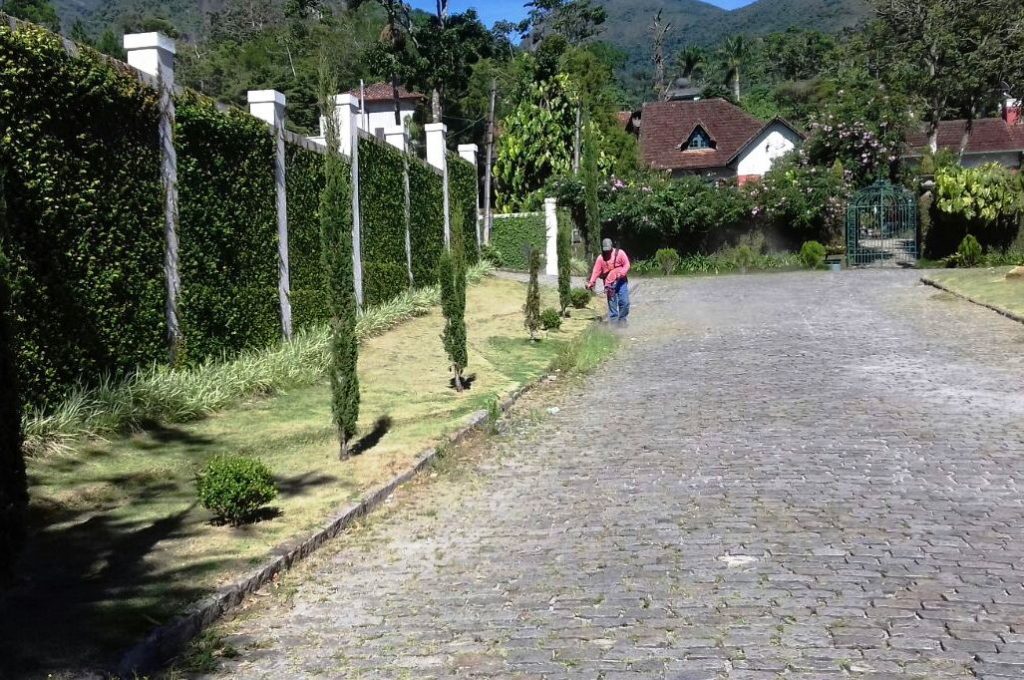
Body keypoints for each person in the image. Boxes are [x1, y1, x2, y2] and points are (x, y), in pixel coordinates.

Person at [586, 238, 631, 325]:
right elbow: (596, 271)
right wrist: (591, 283)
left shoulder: (620, 253)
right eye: (605, 250)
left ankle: (622, 320)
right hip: (609, 285)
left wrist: (621, 273)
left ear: (612, 247)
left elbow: (627, 265)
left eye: (608, 250)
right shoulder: (600, 258)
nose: (607, 252)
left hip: (621, 282)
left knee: (625, 302)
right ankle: (614, 325)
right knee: (612, 306)